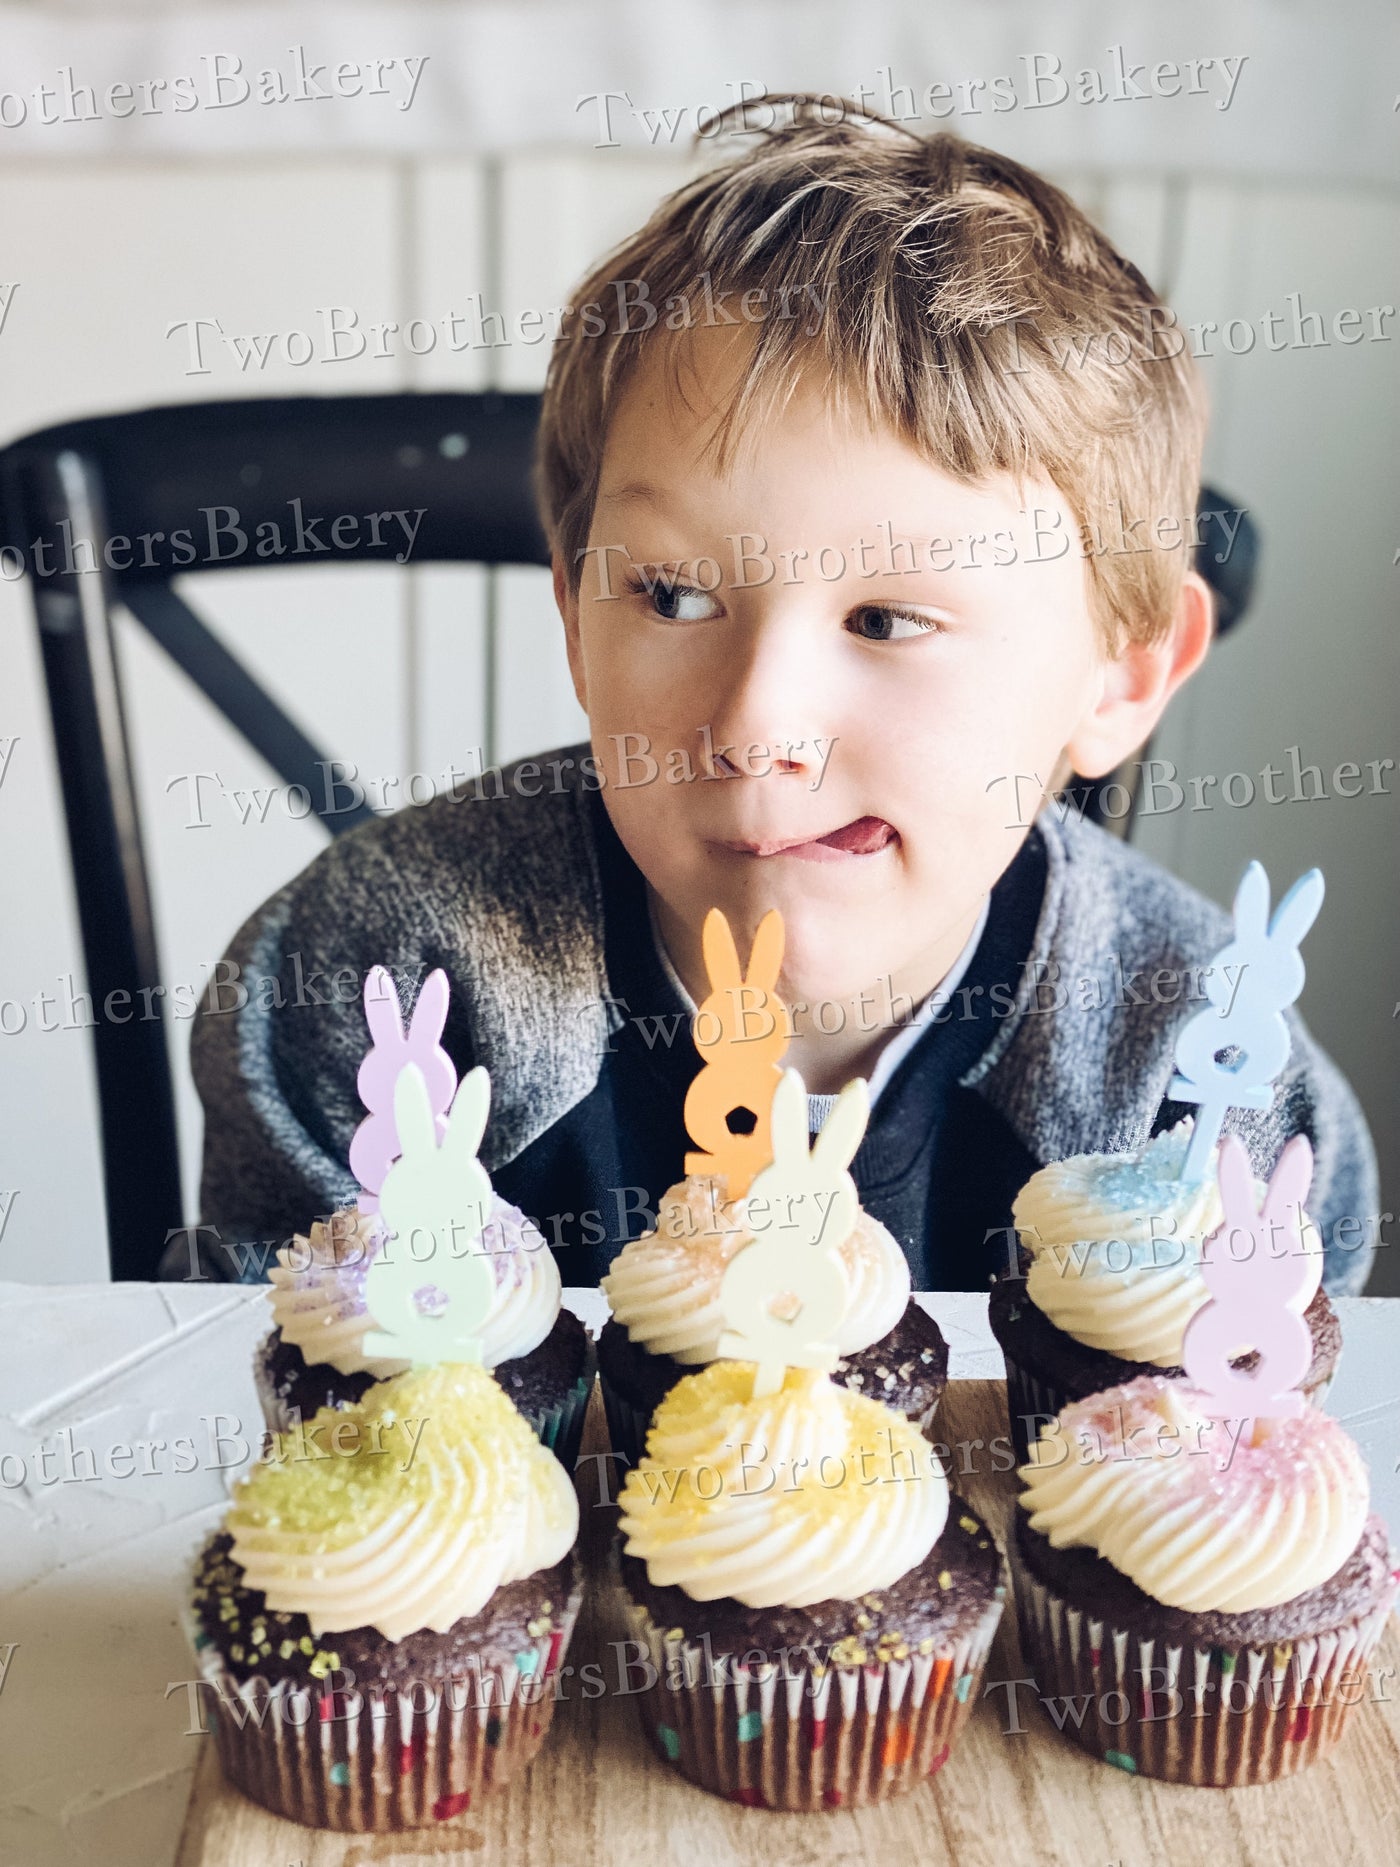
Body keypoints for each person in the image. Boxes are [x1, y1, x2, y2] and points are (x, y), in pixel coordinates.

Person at [187, 99, 1379, 1294]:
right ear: (573, 616)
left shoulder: (1209, 1082)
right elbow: (286, 1424)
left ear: (1122, 672)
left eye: (887, 619)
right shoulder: (368, 994)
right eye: (672, 597)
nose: (757, 725)